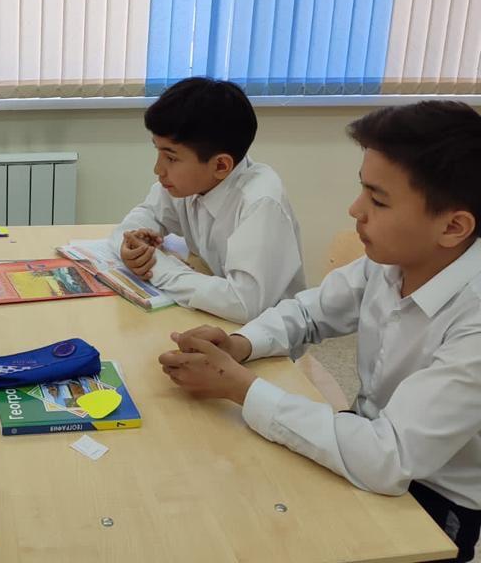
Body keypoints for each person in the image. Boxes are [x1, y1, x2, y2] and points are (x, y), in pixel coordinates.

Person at [159, 101, 481, 562]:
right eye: (362, 189)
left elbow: (389, 457)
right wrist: (240, 343)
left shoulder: (473, 319)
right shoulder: (393, 262)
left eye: (378, 200)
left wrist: (241, 388)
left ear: (453, 227)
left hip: (430, 497)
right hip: (364, 440)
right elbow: (309, 312)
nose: (355, 210)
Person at [109, 77, 304, 322]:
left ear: (221, 165)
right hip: (216, 316)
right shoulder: (190, 183)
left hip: (268, 332)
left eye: (171, 158)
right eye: (158, 151)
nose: (158, 169)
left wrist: (156, 265)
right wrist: (132, 245)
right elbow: (146, 214)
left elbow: (244, 304)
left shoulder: (260, 202)